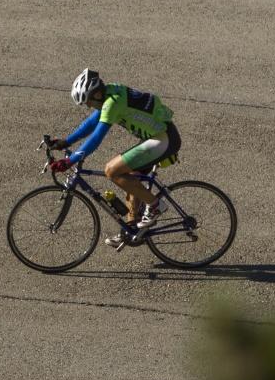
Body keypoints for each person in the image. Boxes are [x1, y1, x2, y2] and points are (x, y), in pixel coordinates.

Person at [46, 68, 182, 251]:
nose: (88, 106)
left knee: (112, 170)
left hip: (163, 139)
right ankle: (131, 231)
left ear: (97, 94)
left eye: (88, 102)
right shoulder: (110, 92)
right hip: (157, 136)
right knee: (129, 178)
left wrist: (70, 161)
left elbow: (96, 138)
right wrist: (65, 142)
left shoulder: (113, 103)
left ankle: (156, 205)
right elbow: (92, 123)